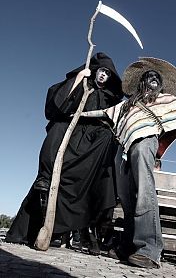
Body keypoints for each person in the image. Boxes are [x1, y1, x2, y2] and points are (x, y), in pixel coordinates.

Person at [79, 57, 176, 268]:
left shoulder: (165, 100)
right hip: (123, 149)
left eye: (156, 77)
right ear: (141, 82)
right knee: (126, 197)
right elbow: (104, 113)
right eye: (148, 76)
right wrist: (78, 113)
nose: (153, 78)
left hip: (145, 142)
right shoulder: (126, 106)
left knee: (144, 192)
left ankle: (149, 250)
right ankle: (128, 246)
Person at [6, 52, 123, 253]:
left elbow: (114, 119)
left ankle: (86, 233)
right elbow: (58, 105)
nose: (103, 75)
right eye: (100, 71)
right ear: (95, 71)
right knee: (58, 125)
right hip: (69, 136)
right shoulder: (81, 84)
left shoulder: (110, 97)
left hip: (90, 145)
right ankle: (45, 182)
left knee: (107, 137)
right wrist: (79, 78)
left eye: (107, 73)